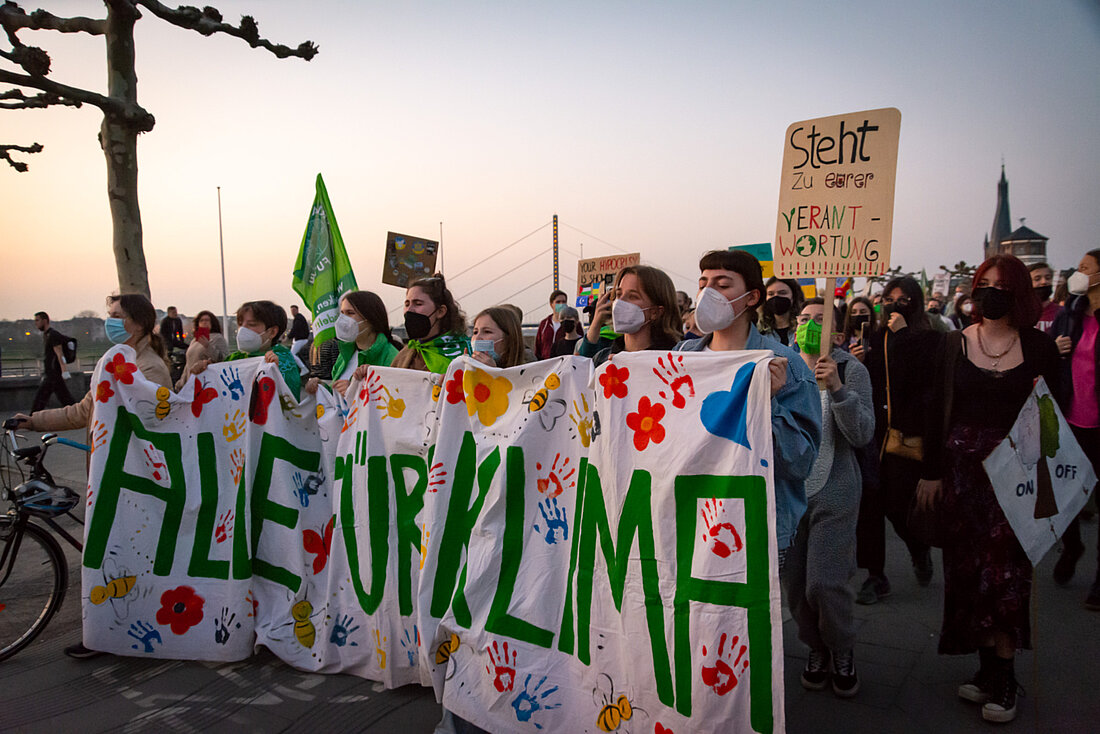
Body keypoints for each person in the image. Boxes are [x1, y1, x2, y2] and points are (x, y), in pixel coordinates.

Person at [915, 254, 1059, 724]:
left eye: (1000, 286)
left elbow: (1054, 416)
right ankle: (983, 670)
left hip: (1016, 477)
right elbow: (936, 410)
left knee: (1007, 576)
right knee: (966, 572)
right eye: (983, 284)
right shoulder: (952, 344)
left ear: (1018, 294)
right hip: (961, 478)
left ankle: (1005, 675)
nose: (990, 292)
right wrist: (932, 471)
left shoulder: (1038, 349)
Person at [12, 293, 171, 661]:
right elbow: (85, 410)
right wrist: (34, 420)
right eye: (110, 314)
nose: (110, 321)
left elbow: (155, 426)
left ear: (140, 323)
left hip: (133, 484)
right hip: (108, 481)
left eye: (117, 316)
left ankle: (109, 634)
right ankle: (110, 632)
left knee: (112, 557)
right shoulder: (110, 363)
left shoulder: (150, 368)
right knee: (113, 559)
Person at [674, 249, 820, 570]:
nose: (708, 292)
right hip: (689, 516)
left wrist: (767, 403)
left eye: (723, 285)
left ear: (752, 297)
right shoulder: (682, 358)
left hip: (754, 528)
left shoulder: (786, 366)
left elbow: (800, 463)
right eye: (703, 283)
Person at [784, 298, 875, 698]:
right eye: (804, 319)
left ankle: (841, 647)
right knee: (795, 587)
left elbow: (862, 434)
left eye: (819, 321)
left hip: (834, 490)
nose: (808, 325)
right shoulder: (781, 366)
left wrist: (837, 389)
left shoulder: (852, 369)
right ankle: (816, 648)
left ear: (837, 334)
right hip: (790, 492)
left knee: (824, 583)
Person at [852, 276, 940, 605]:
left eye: (903, 299)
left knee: (898, 507)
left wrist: (902, 335)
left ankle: (919, 548)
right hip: (874, 435)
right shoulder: (875, 338)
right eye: (889, 298)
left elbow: (921, 378)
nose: (894, 304)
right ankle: (876, 576)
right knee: (871, 507)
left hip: (906, 436)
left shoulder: (928, 339)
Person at [1049, 249, 1100, 607]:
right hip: (1071, 418)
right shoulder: (1070, 314)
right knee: (1064, 495)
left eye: (1084, 268)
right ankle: (1072, 545)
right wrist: (1056, 349)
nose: (1077, 273)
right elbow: (1047, 353)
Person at [577, 265, 682, 366]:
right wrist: (596, 323)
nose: (620, 302)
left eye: (632, 296)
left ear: (655, 312)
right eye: (618, 294)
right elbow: (580, 369)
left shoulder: (674, 360)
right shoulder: (602, 359)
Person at [304, 291, 402, 397]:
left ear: (370, 318)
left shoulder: (392, 357)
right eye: (342, 313)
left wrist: (355, 391)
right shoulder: (345, 354)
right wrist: (321, 387)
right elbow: (337, 394)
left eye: (350, 313)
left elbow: (394, 400)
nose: (343, 320)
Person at [222, 300, 307, 400]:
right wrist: (204, 370)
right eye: (240, 324)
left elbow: (289, 397)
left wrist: (275, 371)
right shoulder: (234, 359)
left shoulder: (283, 359)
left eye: (252, 324)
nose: (242, 329)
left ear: (272, 332)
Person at [391, 274, 470, 373]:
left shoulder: (463, 356)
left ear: (440, 311)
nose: (409, 310)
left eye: (418, 304)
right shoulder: (405, 354)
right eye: (407, 304)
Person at [31, 311, 75, 412]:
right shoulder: (47, 335)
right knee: (65, 398)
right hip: (52, 374)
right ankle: (80, 413)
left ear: (45, 320)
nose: (36, 323)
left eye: (37, 320)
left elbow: (60, 355)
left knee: (41, 398)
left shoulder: (53, 335)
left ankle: (32, 418)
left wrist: (64, 372)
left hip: (53, 374)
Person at [176, 309, 229, 391]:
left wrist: (208, 346)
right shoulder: (194, 341)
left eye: (207, 320)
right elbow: (188, 363)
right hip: (190, 383)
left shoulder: (218, 338)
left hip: (206, 384)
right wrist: (181, 382)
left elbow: (223, 359)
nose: (204, 322)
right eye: (201, 320)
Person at [534, 290, 580, 360]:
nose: (561, 304)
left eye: (564, 302)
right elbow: (538, 346)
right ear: (551, 304)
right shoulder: (544, 324)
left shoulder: (573, 323)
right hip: (546, 363)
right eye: (558, 302)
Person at [759, 277, 804, 346]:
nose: (776, 297)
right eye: (771, 294)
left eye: (782, 293)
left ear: (794, 297)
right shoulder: (759, 331)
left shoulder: (803, 328)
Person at [1028, 262, 1062, 334]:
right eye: (1037, 279)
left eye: (1048, 278)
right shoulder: (1019, 313)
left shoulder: (1062, 312)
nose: (1044, 282)